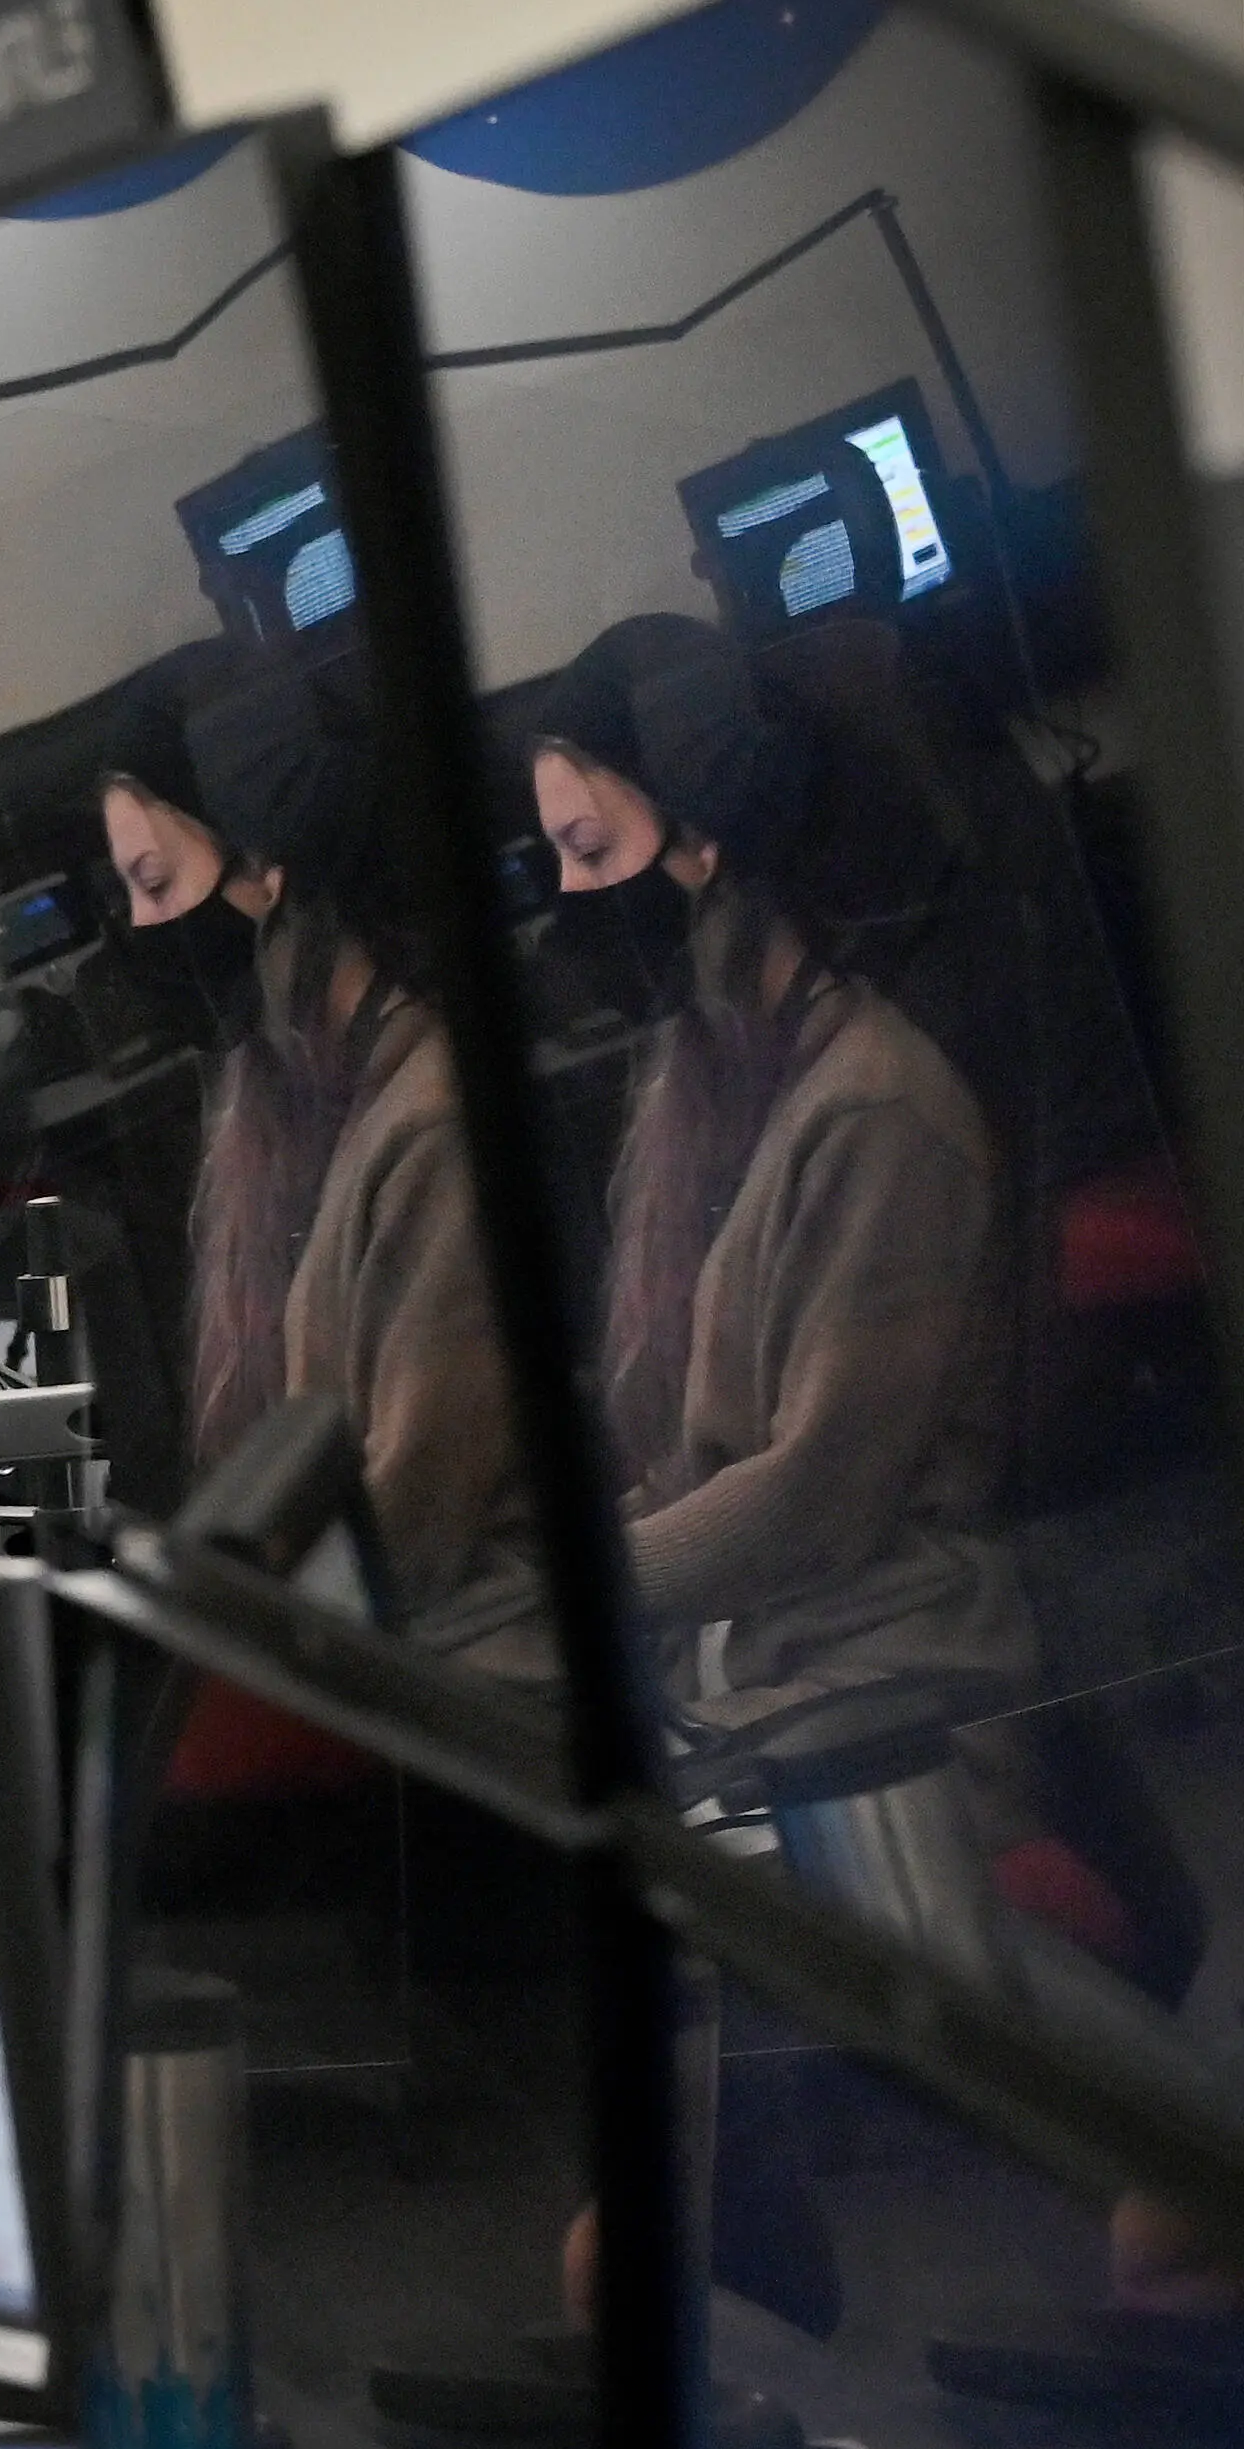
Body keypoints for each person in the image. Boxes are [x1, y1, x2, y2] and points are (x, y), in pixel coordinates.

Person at [524, 613, 1026, 1727]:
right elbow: (680, 1457)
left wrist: (565, 1591)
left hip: (890, 1686)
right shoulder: (711, 1106)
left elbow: (814, 1493)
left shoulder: (875, 1108)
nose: (568, 900)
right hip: (754, 1666)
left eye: (591, 850)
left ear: (705, 845)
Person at [99, 641, 533, 1654]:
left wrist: (193, 1637)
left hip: (483, 1672)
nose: (139, 925)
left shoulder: (430, 1121)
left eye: (155, 879)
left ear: (265, 870)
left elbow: (412, 1513)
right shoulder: (311, 1120)